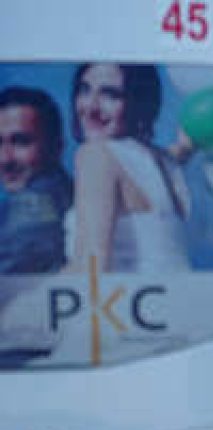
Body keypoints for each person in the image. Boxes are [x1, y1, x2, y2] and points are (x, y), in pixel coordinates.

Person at [67, 63, 191, 273]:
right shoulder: (165, 164)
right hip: (180, 300)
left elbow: (90, 271)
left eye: (111, 95)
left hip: (129, 303)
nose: (91, 107)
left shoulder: (95, 156)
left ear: (139, 103)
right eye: (85, 89)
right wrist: (187, 146)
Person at [0, 86, 72, 274]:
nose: (5, 159)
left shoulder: (36, 200)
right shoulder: (66, 191)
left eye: (21, 142)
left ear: (57, 148)